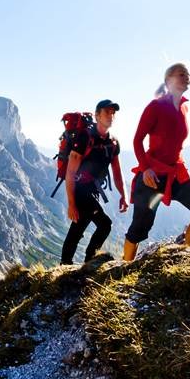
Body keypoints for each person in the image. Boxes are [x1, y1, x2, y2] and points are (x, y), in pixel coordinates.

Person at [124, 62, 190, 261]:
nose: (187, 77)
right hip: (152, 177)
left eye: (188, 74)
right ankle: (124, 267)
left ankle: (185, 257)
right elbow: (137, 140)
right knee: (140, 228)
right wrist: (146, 169)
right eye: (182, 74)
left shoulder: (184, 108)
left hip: (175, 175)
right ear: (168, 80)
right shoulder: (155, 107)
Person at [60, 100, 128, 265]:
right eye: (107, 112)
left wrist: (124, 195)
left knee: (79, 225)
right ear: (97, 115)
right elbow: (70, 172)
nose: (111, 116)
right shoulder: (85, 138)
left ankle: (66, 263)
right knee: (105, 224)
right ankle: (89, 260)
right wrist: (71, 203)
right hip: (80, 189)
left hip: (93, 190)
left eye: (113, 113)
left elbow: (117, 173)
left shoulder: (113, 143)